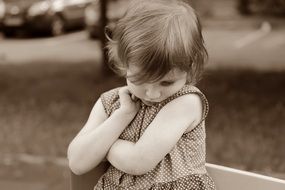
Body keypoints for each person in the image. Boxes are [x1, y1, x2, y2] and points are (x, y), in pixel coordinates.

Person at [67, 0, 216, 189]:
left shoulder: (186, 102)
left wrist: (102, 147)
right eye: (139, 80)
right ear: (124, 64)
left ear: (190, 68)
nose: (153, 93)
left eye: (167, 82)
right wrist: (123, 115)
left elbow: (138, 161)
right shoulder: (111, 103)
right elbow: (77, 163)